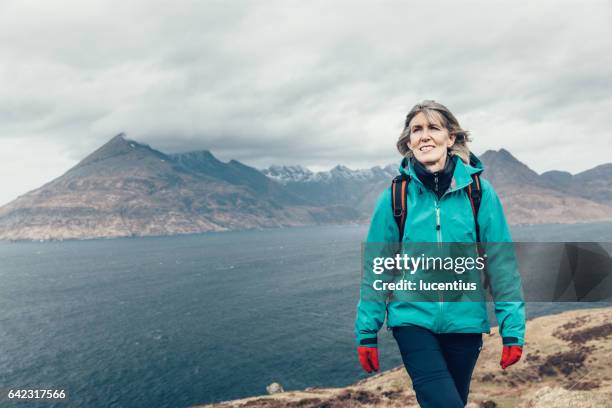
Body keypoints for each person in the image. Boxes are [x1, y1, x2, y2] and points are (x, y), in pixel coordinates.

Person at [355, 100, 525, 407]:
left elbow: (502, 264)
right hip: (412, 321)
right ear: (408, 142)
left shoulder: (479, 192)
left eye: (433, 127)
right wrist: (368, 330)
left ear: (452, 138)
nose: (424, 136)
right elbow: (377, 269)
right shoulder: (395, 197)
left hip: (465, 323)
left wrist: (512, 329)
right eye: (416, 129)